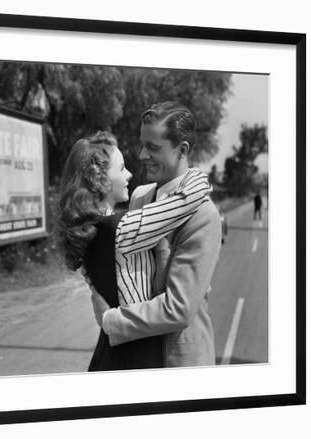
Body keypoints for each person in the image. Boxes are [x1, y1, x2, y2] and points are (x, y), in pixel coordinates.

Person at [57, 130, 212, 371]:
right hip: (133, 359)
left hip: (111, 353)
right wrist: (195, 173)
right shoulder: (121, 229)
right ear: (99, 177)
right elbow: (186, 200)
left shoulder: (89, 229)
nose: (129, 174)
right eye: (121, 169)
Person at [89, 102, 222, 367]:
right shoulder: (139, 196)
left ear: (182, 149)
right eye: (142, 144)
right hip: (135, 355)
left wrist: (111, 320)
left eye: (153, 147)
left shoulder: (203, 216)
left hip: (177, 362)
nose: (141, 154)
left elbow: (179, 308)